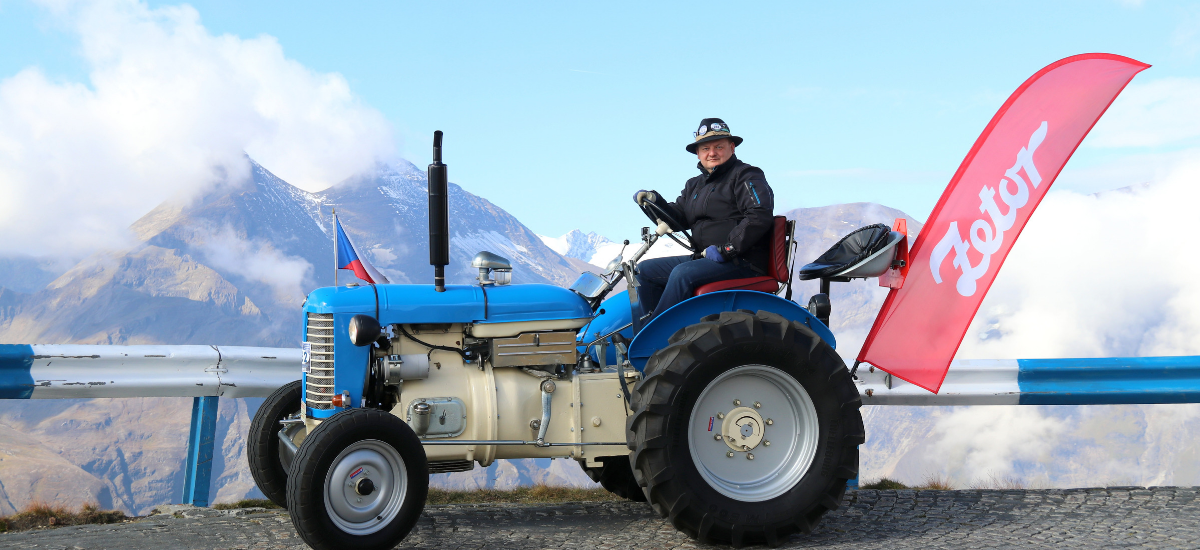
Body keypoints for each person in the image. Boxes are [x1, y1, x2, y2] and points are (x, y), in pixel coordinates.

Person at [632, 118, 775, 321]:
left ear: (732, 147)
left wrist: (728, 249)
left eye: (719, 146)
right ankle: (645, 333)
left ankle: (657, 337)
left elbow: (759, 215)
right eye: (705, 148)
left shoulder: (746, 175)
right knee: (644, 271)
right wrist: (654, 201)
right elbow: (678, 219)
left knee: (682, 274)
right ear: (698, 153)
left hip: (742, 260)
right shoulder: (695, 185)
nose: (712, 153)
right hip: (705, 259)